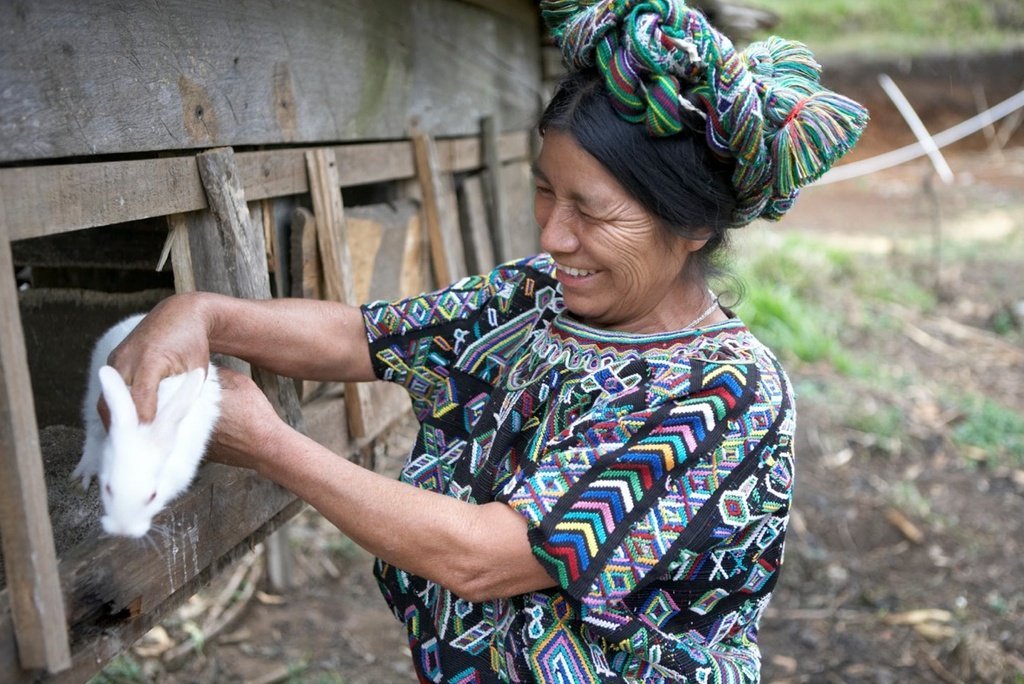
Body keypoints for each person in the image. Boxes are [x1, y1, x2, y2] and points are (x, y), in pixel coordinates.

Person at [108, 1, 867, 681]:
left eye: (591, 212)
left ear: (694, 225)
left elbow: (483, 556)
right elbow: (362, 338)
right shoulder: (536, 297)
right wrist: (204, 313)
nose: (554, 233)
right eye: (545, 190)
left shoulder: (726, 397)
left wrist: (273, 445)